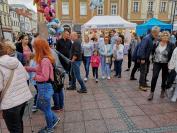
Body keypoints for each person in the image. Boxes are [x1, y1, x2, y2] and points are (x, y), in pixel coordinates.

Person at [25, 37, 60, 133]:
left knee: (46, 108)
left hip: (45, 87)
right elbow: (38, 68)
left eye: (35, 47)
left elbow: (45, 77)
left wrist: (36, 78)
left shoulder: (44, 60)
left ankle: (49, 128)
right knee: (40, 106)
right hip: (43, 87)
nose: (33, 49)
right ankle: (55, 119)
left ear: (39, 48)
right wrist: (28, 68)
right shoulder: (44, 58)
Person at [0, 41, 32, 133]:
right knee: (18, 124)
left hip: (9, 103)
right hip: (22, 99)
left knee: (14, 128)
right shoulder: (15, 61)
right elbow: (26, 77)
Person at [147, 31, 174, 100]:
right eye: (163, 35)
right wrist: (152, 58)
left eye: (166, 36)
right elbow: (152, 51)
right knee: (154, 76)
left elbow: (172, 55)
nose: (165, 37)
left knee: (164, 78)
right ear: (161, 37)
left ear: (168, 37)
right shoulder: (157, 43)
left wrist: (170, 64)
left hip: (166, 64)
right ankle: (151, 92)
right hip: (157, 62)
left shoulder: (171, 45)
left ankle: (163, 90)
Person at [138, 26, 160, 91]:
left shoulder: (151, 38)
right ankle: (141, 85)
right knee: (143, 71)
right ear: (154, 32)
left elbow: (151, 48)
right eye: (157, 32)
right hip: (144, 58)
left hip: (147, 58)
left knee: (146, 71)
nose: (158, 34)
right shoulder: (147, 38)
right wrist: (142, 58)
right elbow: (142, 48)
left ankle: (144, 83)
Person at [48, 36, 65, 111]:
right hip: (60, 71)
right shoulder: (54, 50)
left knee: (55, 89)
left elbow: (52, 64)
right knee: (60, 89)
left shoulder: (48, 52)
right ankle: (61, 106)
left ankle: (57, 106)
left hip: (55, 72)